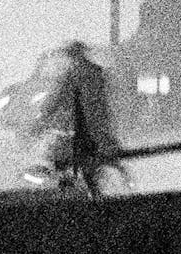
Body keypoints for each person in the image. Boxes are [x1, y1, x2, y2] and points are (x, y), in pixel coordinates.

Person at [35, 40, 125, 197]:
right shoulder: (97, 72)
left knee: (61, 158)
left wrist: (41, 119)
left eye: (69, 56)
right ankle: (104, 188)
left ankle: (78, 194)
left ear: (73, 56)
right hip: (100, 129)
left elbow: (55, 100)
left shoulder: (73, 74)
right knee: (96, 163)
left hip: (83, 131)